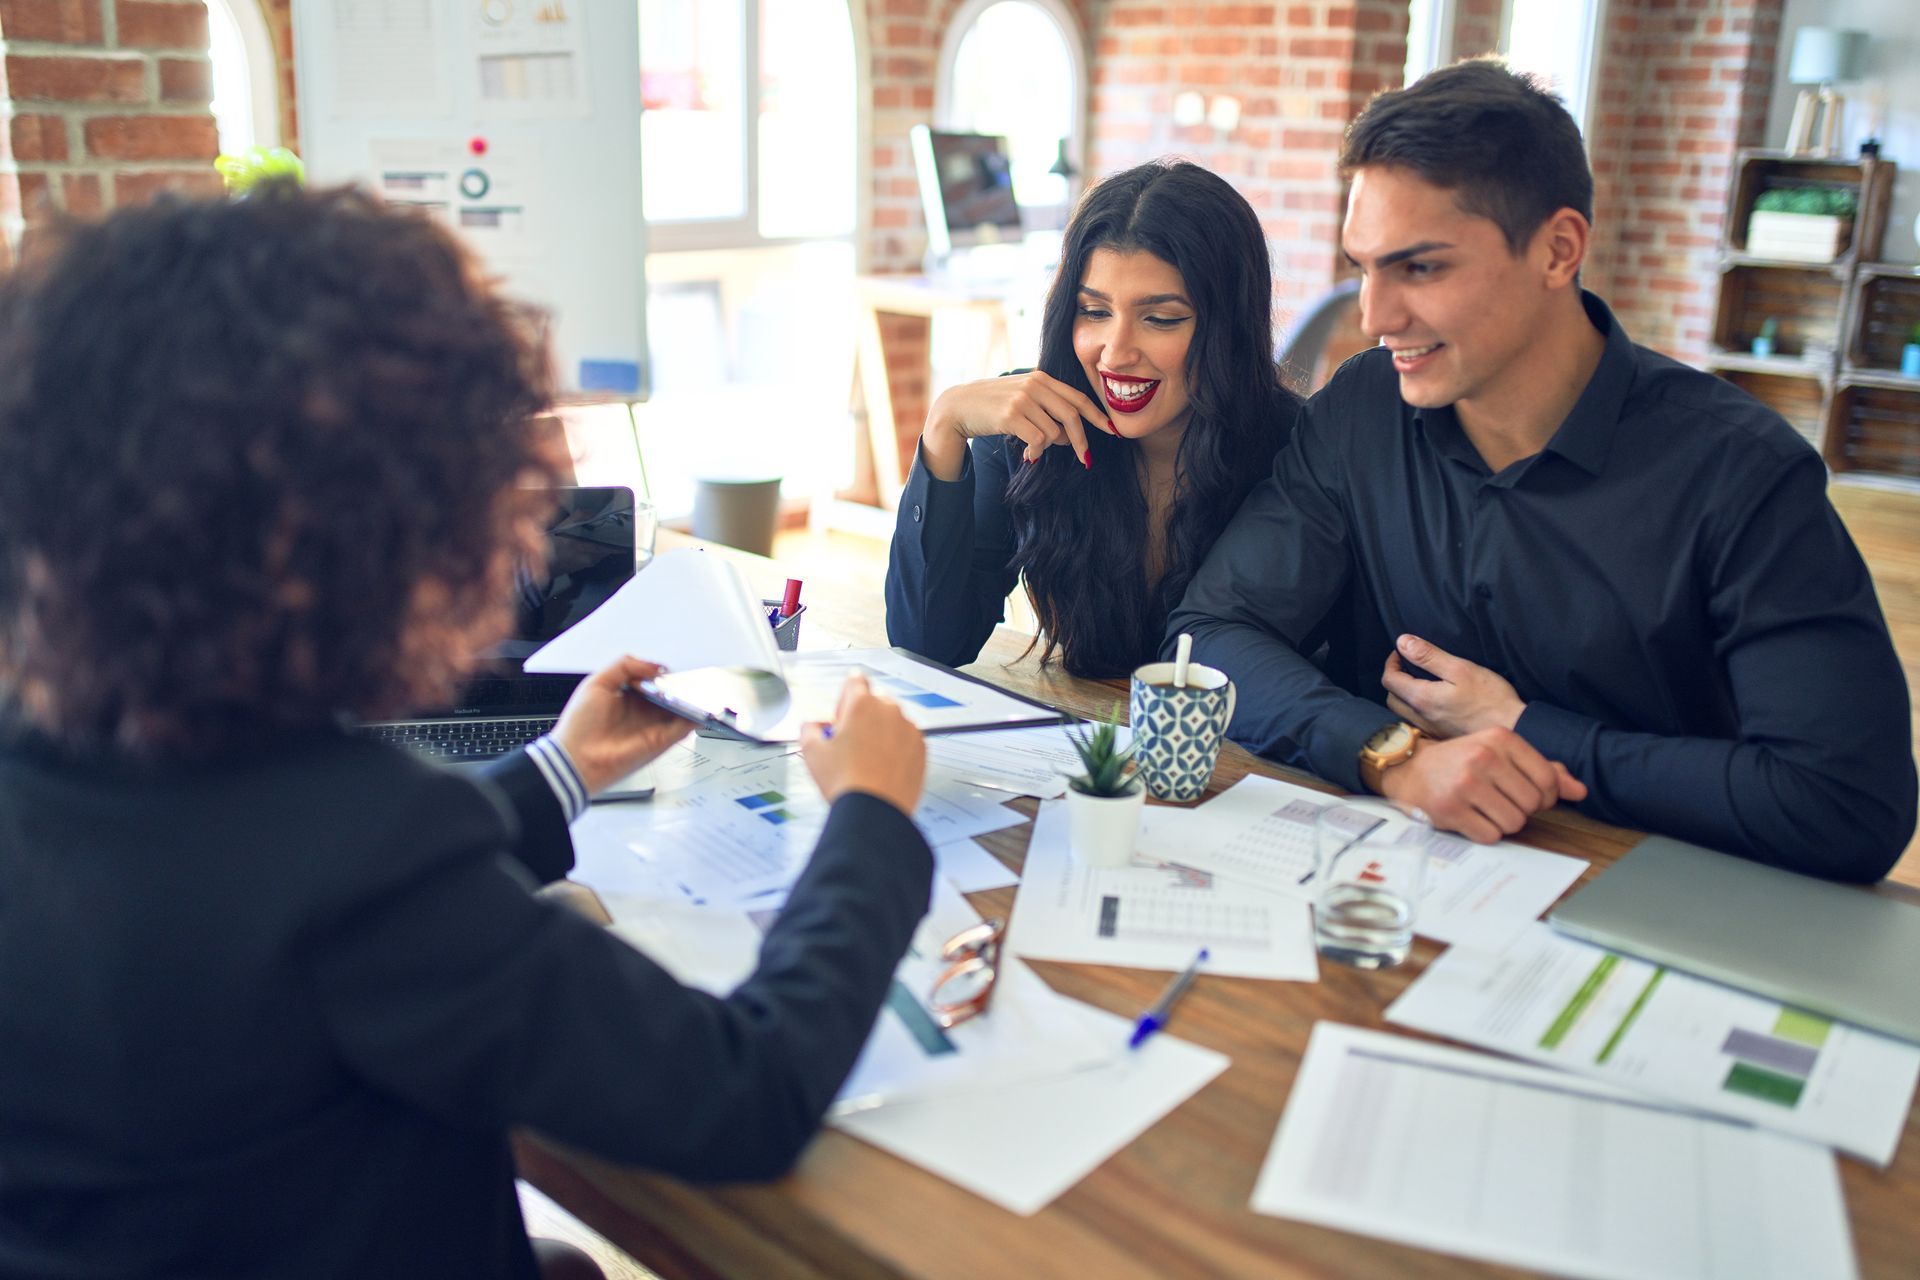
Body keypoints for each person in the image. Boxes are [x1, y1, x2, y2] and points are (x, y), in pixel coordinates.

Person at [0, 186, 934, 1278]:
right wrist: (869, 814)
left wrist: (560, 769)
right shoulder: (355, 847)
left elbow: (276, 894)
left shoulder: (57, 754)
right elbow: (742, 1090)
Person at [1166, 60, 1916, 882]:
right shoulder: (1362, 411)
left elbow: (1847, 806)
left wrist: (1527, 728)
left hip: (1664, 906)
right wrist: (1393, 753)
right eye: (1364, 266)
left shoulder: (1744, 474)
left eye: (1420, 267)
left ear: (1559, 250)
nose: (1376, 315)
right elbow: (1211, 637)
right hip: (1395, 883)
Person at [886, 159, 1304, 677]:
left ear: (1228, 329)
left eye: (1160, 318)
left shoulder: (1298, 453)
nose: (1115, 352)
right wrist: (945, 422)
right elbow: (926, 644)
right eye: (1094, 311)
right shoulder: (1029, 431)